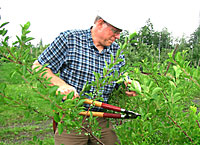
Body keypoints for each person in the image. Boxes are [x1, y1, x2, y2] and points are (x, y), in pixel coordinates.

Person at [32, 10, 136, 145]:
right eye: (115, 31)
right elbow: (38, 66)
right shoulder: (70, 39)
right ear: (100, 23)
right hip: (72, 116)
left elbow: (119, 78)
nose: (117, 36)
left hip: (101, 117)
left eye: (120, 33)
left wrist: (126, 85)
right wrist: (61, 85)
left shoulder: (116, 50)